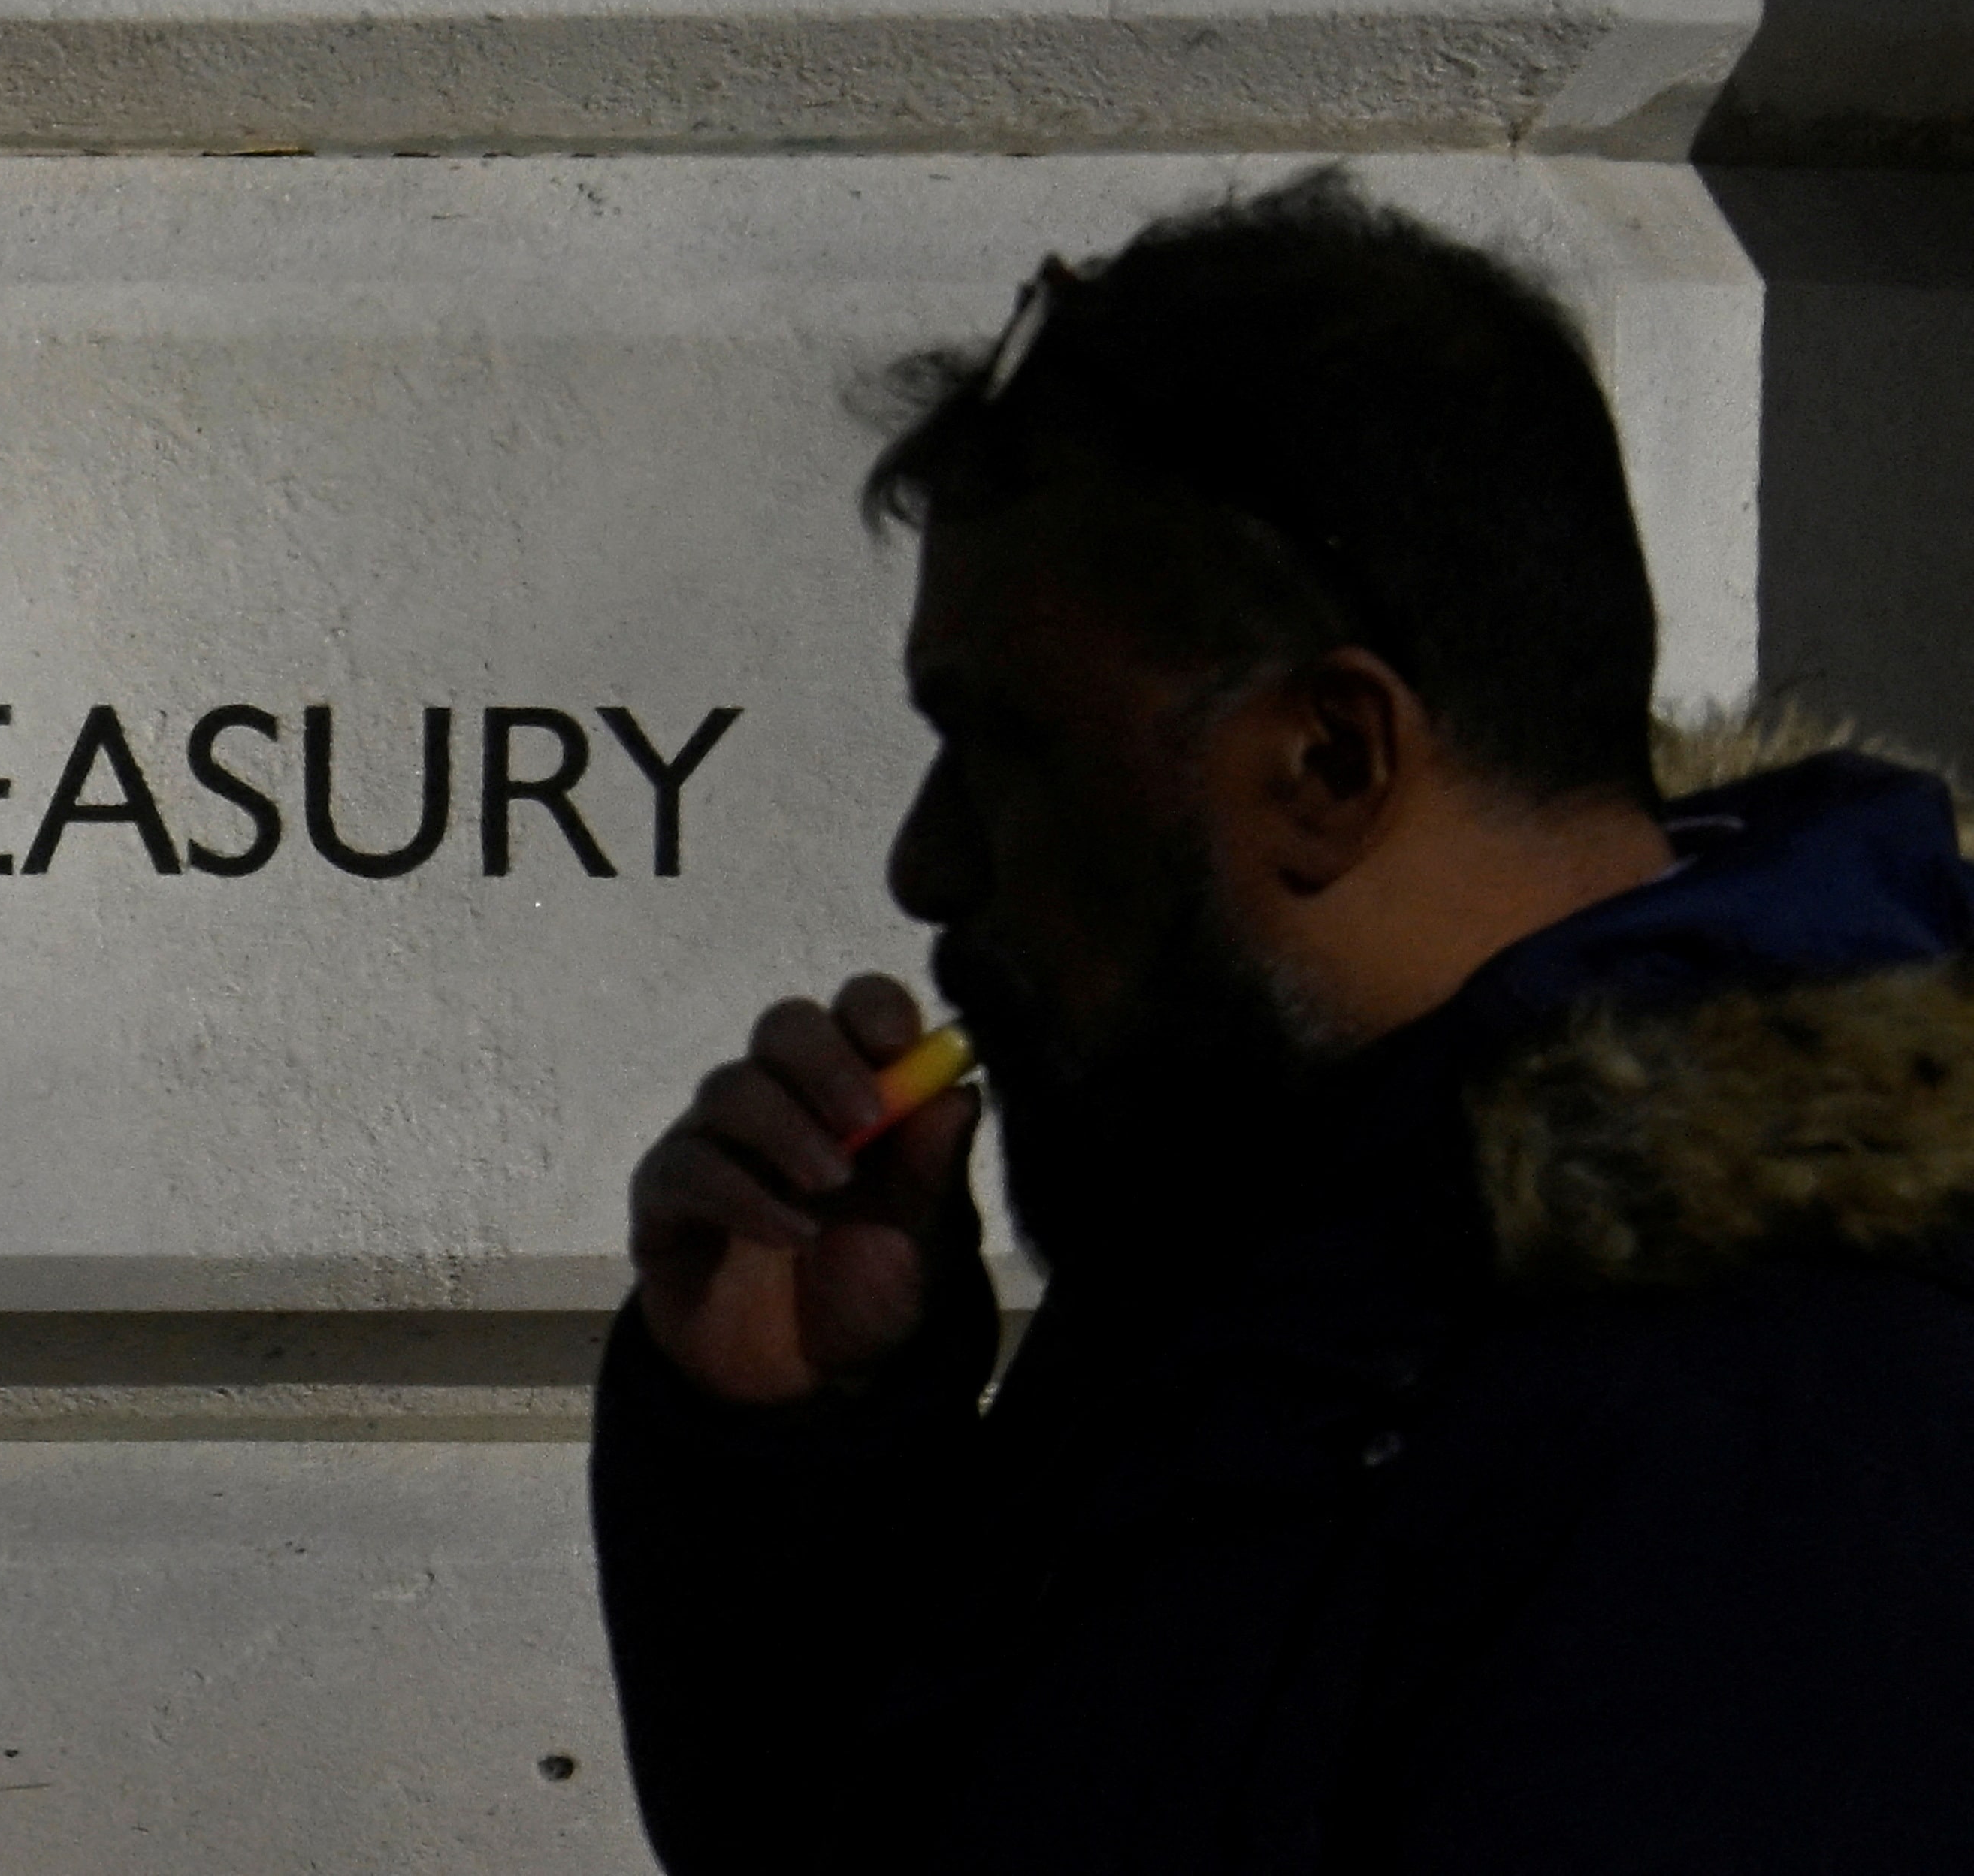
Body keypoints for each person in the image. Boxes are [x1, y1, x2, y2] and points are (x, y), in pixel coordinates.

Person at [589, 169, 1974, 1874]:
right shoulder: (1296, 1233)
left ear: (1331, 758)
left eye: (1007, 745)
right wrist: (792, 1447)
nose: (923, 862)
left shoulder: (1773, 1421)